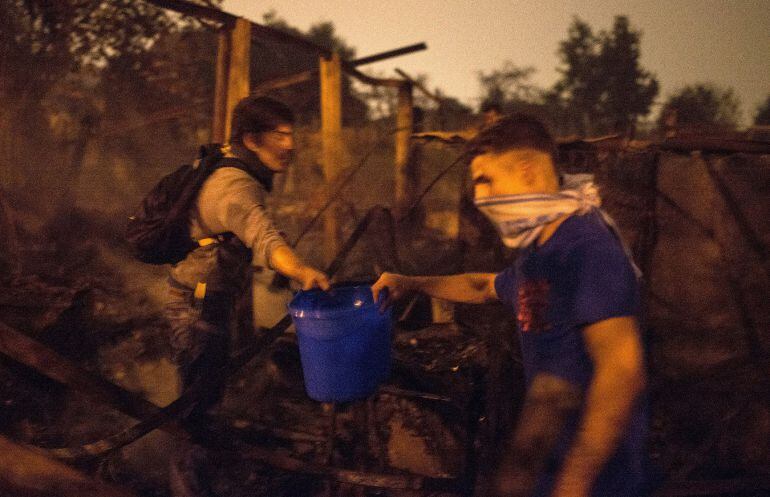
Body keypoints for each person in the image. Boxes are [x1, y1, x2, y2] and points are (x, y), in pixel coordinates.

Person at [372, 114, 647, 497]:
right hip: (549, 453)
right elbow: (483, 286)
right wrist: (409, 283)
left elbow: (621, 371)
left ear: (529, 172)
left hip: (598, 472)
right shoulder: (540, 251)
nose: (480, 197)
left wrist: (574, 482)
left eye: (486, 179)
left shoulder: (587, 248)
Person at [165, 95, 329, 495]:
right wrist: (302, 269)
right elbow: (263, 236)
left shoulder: (234, 169)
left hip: (205, 294)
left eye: (292, 135)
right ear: (252, 139)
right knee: (196, 405)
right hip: (197, 301)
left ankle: (203, 470)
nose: (290, 145)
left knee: (205, 392)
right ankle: (186, 486)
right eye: (281, 135)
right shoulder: (235, 186)